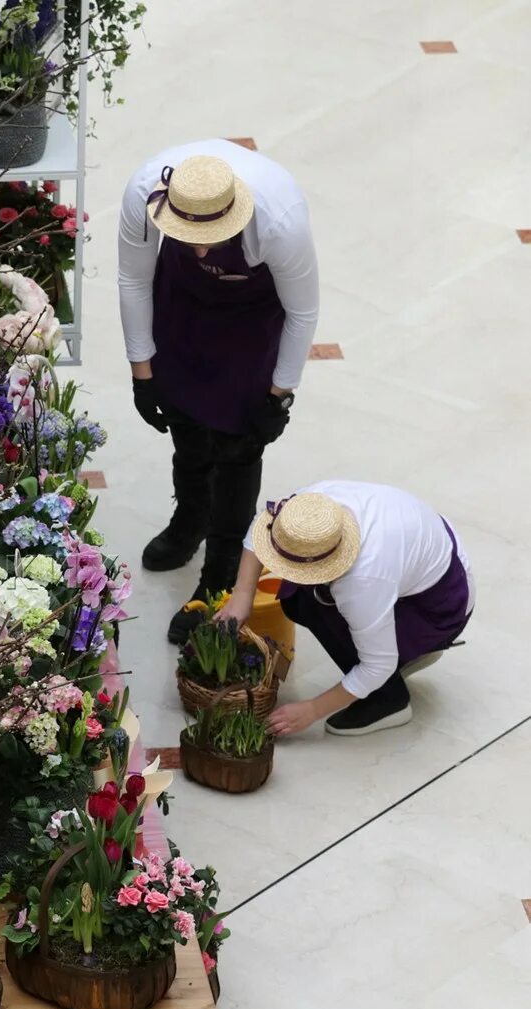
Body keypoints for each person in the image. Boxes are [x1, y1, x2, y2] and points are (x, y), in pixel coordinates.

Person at [118, 142, 320, 644]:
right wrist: (143, 375)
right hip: (182, 305)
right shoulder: (144, 194)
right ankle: (189, 522)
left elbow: (303, 312)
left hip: (251, 319)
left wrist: (279, 396)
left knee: (237, 448)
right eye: (189, 236)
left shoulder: (280, 221)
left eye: (213, 237)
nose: (201, 249)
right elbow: (133, 280)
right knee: (185, 425)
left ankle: (219, 580)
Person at [219, 483, 473, 737]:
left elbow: (378, 665)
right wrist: (243, 595)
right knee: (298, 599)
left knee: (317, 607)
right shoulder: (313, 509)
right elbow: (260, 526)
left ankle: (389, 700)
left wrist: (312, 709)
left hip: (442, 604)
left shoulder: (363, 580)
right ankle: (403, 654)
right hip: (427, 557)